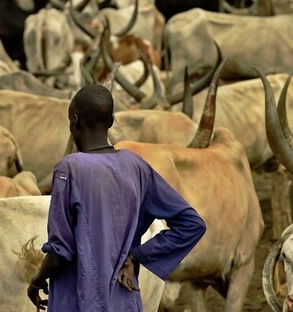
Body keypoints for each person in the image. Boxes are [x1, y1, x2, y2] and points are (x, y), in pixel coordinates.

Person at [27, 85, 207, 311]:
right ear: (111, 122)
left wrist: (36, 281)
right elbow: (192, 223)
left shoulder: (68, 169)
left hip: (78, 302)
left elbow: (60, 251)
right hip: (125, 300)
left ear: (74, 121)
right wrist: (136, 255)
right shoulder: (136, 166)